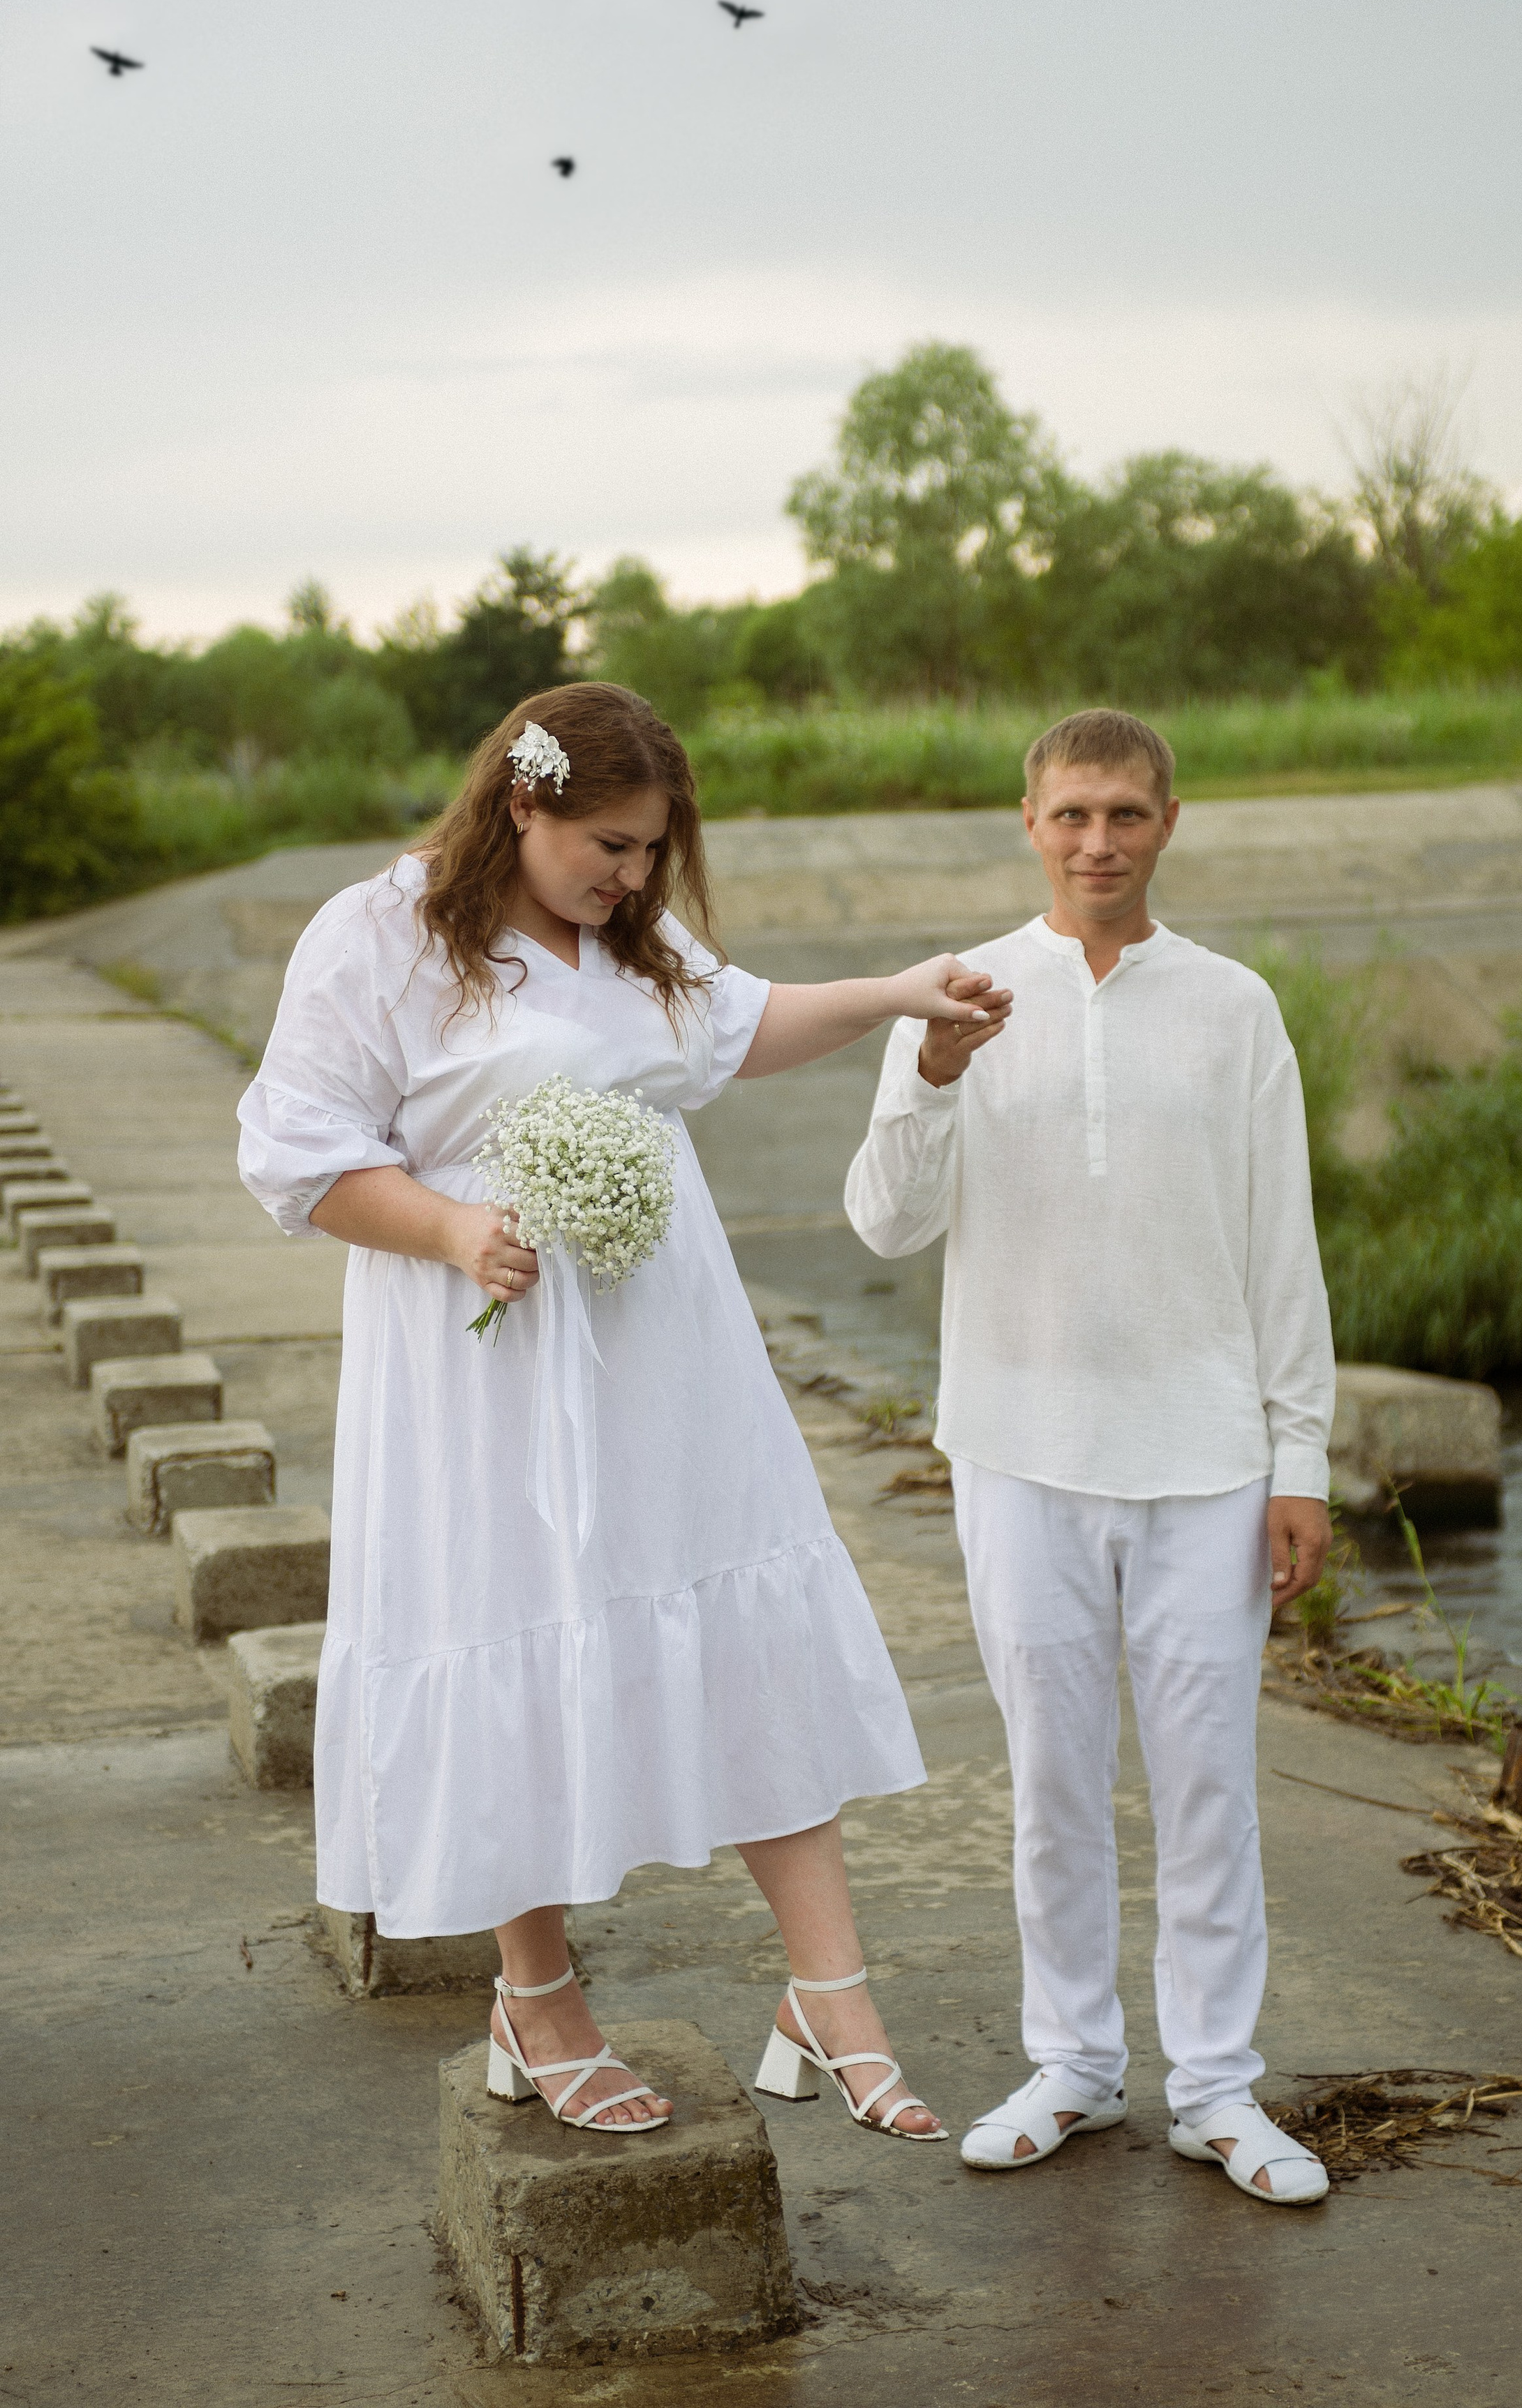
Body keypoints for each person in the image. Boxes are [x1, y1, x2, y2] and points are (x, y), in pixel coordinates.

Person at [238, 681, 1013, 2143]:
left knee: (741, 1621)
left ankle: (832, 1991)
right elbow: (296, 1156)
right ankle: (536, 1999)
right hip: (485, 1368)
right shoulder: (385, 933)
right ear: (518, 804)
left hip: (668, 1352)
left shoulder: (633, 943)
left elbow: (735, 1029)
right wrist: (456, 1230)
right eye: (609, 843)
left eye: (654, 849)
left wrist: (894, 995)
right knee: (515, 1635)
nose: (634, 876)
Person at [843, 707, 1335, 2203]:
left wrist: (1297, 1452)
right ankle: (1069, 2063)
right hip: (1018, 1449)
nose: (1096, 841)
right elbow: (881, 1221)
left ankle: (1215, 2090)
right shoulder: (959, 994)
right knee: (1050, 1776)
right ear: (1027, 820)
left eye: (1124, 813)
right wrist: (931, 1071)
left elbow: (1279, 1246)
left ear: (1167, 821)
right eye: (1070, 815)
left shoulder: (1234, 1006)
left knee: (1207, 1786)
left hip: (1204, 1460)